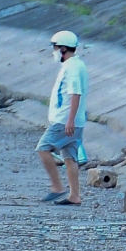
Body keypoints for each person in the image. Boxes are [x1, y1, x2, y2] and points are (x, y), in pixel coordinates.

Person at [38, 31, 87, 206]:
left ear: (63, 49)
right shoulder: (77, 64)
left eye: (55, 47)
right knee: (69, 157)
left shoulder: (71, 67)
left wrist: (69, 120)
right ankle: (74, 195)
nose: (54, 51)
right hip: (74, 120)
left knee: (43, 148)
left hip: (64, 120)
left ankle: (57, 187)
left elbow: (75, 94)